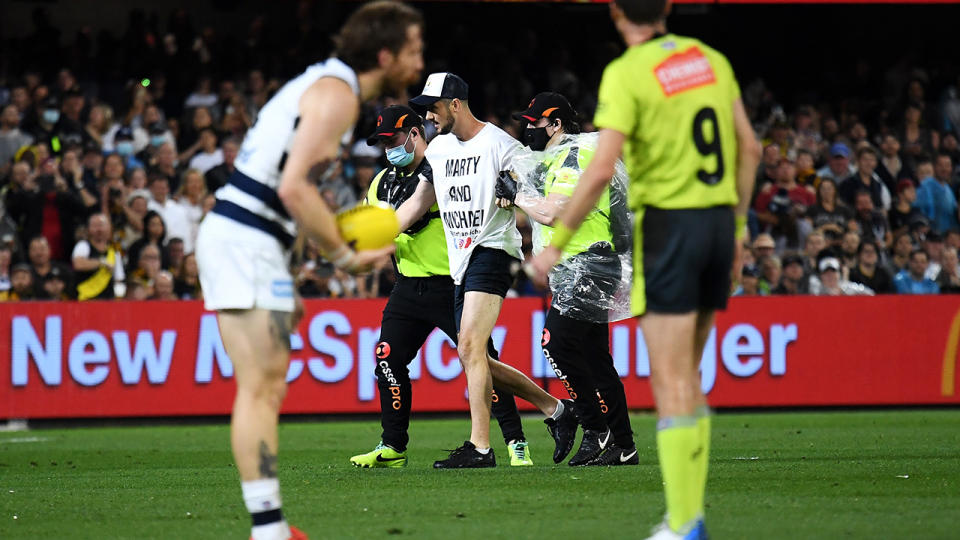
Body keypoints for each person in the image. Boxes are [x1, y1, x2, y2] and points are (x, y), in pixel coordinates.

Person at [527, 1, 760, 537]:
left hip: (671, 228)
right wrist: (741, 231)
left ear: (615, 13)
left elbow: (602, 169)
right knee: (690, 376)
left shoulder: (627, 72)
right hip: (719, 224)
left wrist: (553, 243)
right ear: (668, 7)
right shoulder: (710, 59)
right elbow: (748, 147)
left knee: (673, 379)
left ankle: (684, 521)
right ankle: (685, 513)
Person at [194, 3, 423, 539]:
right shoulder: (336, 93)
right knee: (259, 389)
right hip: (243, 238)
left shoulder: (328, 86)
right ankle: (268, 529)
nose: (418, 62)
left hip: (254, 240)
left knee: (265, 387)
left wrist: (291, 269)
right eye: (413, 49)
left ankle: (270, 526)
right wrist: (342, 256)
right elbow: (294, 187)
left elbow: (285, 187)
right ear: (384, 53)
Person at [350, 105, 564, 469]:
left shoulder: (442, 165)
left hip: (451, 281)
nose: (388, 149)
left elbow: (411, 216)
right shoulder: (379, 183)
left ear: (415, 134)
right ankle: (393, 446)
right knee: (387, 359)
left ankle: (516, 441)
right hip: (407, 285)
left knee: (481, 361)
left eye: (394, 140)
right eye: (383, 143)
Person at [408, 73, 579, 469]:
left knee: (469, 348)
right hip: (460, 261)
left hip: (494, 250)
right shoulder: (438, 149)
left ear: (455, 104)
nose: (428, 117)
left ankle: (480, 447)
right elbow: (419, 202)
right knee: (475, 357)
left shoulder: (502, 144)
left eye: (433, 107)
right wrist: (380, 232)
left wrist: (522, 203)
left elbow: (532, 193)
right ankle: (557, 410)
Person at [495, 92, 638, 466]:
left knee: (554, 342)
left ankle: (594, 428)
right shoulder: (560, 157)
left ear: (555, 124)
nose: (527, 129)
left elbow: (554, 213)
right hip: (585, 263)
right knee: (594, 358)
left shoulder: (575, 156)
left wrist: (518, 195)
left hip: (588, 261)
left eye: (534, 123)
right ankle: (623, 445)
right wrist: (515, 194)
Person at [72, 213, 124, 300]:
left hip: (107, 301)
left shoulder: (114, 252)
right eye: (95, 226)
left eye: (101, 225)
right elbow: (78, 264)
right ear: (88, 229)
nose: (99, 229)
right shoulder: (83, 246)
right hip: (85, 299)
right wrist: (102, 263)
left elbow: (118, 278)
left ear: (109, 228)